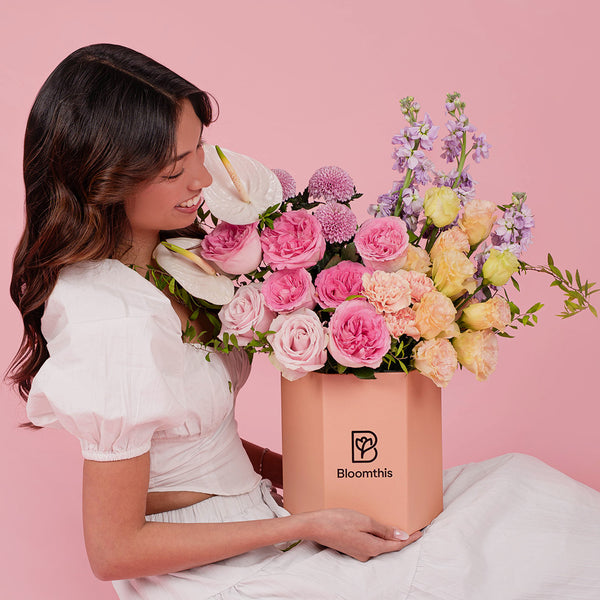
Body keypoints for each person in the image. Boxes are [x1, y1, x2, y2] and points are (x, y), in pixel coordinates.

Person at [8, 44, 600, 600]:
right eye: (172, 170)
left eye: (199, 150)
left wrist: (317, 477)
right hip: (213, 571)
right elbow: (113, 551)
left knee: (515, 491)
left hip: (262, 521)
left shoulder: (171, 263)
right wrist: (310, 521)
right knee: (507, 552)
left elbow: (187, 440)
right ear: (104, 180)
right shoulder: (112, 320)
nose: (203, 180)